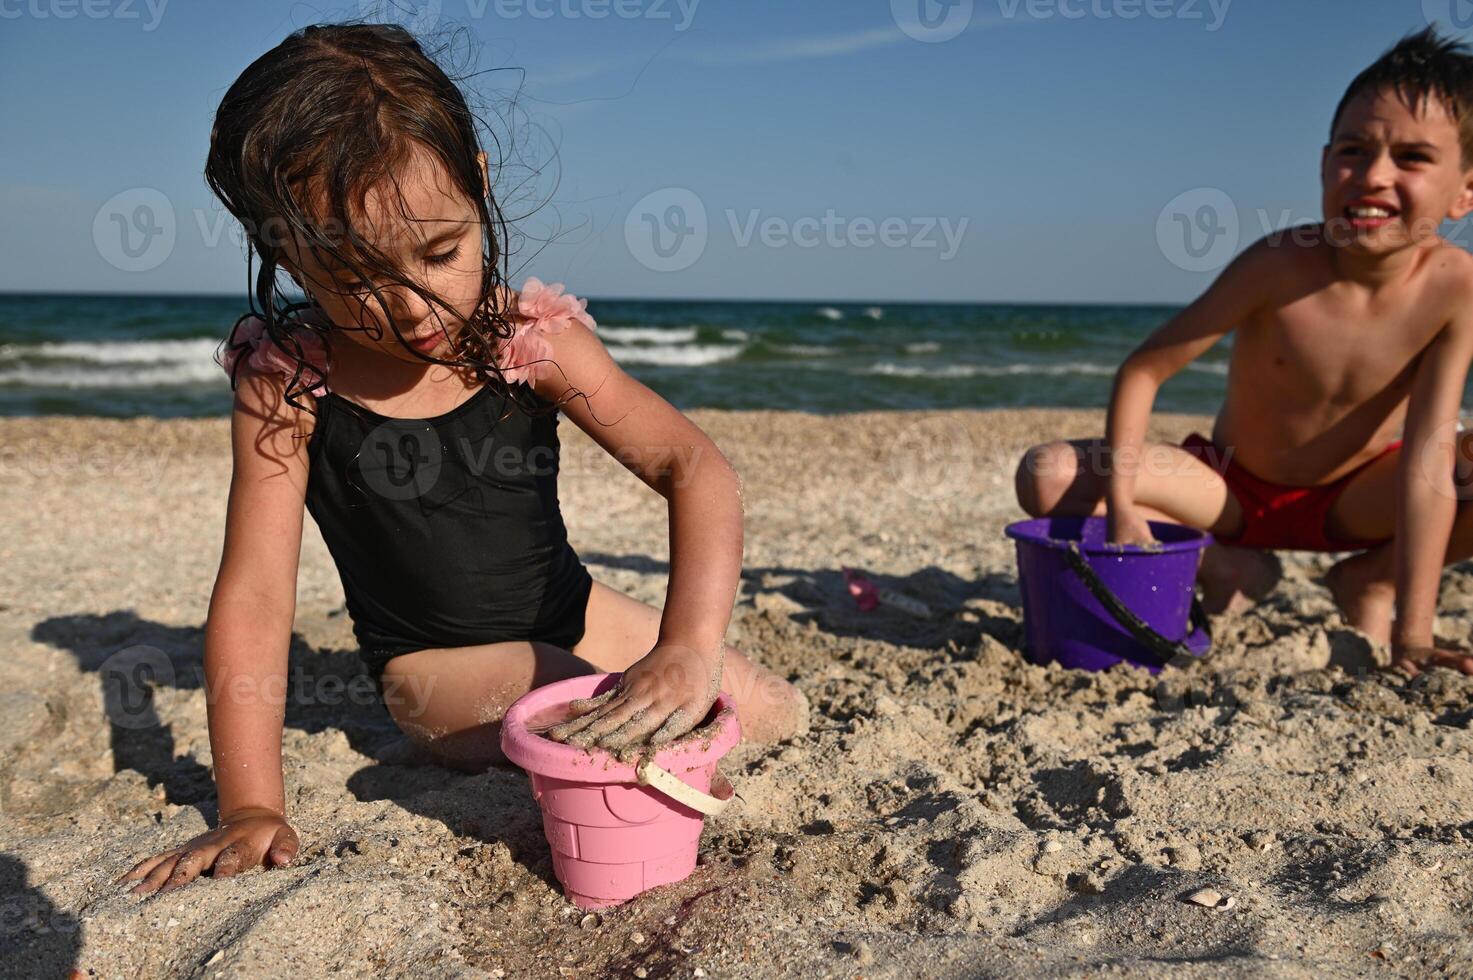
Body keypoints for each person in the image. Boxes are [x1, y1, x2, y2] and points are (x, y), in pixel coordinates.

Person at [119, 22, 807, 898]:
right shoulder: (291, 384)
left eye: (441, 252)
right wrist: (253, 802)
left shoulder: (531, 342)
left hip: (574, 611)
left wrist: (687, 642)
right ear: (286, 250)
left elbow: (693, 467)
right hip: (435, 671)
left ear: (477, 185)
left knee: (763, 707)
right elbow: (256, 594)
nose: (411, 307)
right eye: (356, 277)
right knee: (588, 712)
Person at [1015, 27, 1473, 679]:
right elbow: (1144, 370)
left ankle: (1371, 583)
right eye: (1352, 149)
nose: (1372, 175)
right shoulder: (1277, 264)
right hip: (1228, 490)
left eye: (1411, 158)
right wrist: (1122, 510)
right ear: (1322, 166)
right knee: (1045, 474)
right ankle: (1223, 560)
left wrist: (1414, 637)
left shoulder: (1455, 287)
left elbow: (1428, 460)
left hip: (1356, 500)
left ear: (1464, 191)